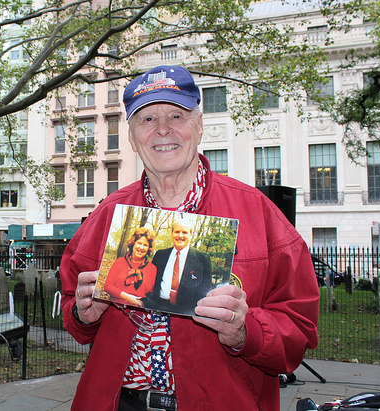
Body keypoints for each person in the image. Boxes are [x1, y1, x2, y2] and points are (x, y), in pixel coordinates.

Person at [61, 65, 319, 410]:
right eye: (147, 119)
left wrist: (246, 331)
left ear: (199, 126)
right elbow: (73, 313)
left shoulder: (259, 213)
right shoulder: (106, 216)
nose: (163, 129)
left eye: (176, 115)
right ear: (132, 136)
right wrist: (82, 314)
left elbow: (299, 331)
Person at [144, 220, 212, 314]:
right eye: (177, 232)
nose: (180, 236)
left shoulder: (202, 258)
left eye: (184, 232)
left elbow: (206, 289)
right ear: (172, 234)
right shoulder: (160, 255)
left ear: (191, 235)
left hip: (186, 311)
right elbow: (149, 281)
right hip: (158, 306)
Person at [102, 227, 158, 308]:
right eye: (139, 243)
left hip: (137, 312)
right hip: (115, 307)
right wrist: (127, 297)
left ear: (149, 248)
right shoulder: (119, 262)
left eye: (145, 245)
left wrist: (142, 303)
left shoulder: (152, 269)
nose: (141, 248)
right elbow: (107, 286)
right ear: (133, 243)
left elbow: (151, 295)